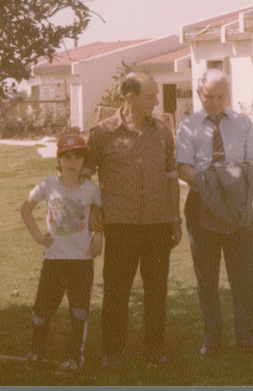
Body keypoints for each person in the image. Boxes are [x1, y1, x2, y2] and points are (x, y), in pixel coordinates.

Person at [84, 72, 181, 369]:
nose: (156, 101)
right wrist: (92, 209)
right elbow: (86, 176)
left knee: (156, 291)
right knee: (116, 290)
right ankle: (112, 353)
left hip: (158, 224)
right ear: (131, 97)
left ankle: (154, 351)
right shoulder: (102, 133)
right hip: (121, 225)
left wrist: (175, 217)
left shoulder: (163, 132)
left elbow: (171, 177)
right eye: (151, 96)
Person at [176, 68, 253, 357]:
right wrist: (210, 184)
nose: (214, 102)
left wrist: (232, 180)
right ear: (199, 94)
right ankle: (212, 338)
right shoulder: (188, 126)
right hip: (203, 205)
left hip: (237, 206)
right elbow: (183, 167)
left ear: (227, 94)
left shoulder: (242, 123)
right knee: (207, 276)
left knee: (243, 275)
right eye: (208, 97)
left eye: (220, 96)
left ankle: (249, 339)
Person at [20, 134, 104, 376]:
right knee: (41, 311)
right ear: (58, 160)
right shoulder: (48, 185)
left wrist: (98, 235)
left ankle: (73, 357)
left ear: (84, 160)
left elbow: (101, 211)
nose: (72, 162)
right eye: (66, 157)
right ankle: (36, 352)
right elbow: (26, 208)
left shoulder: (90, 189)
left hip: (81, 261)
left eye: (77, 156)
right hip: (54, 260)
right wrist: (37, 236)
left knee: (79, 312)